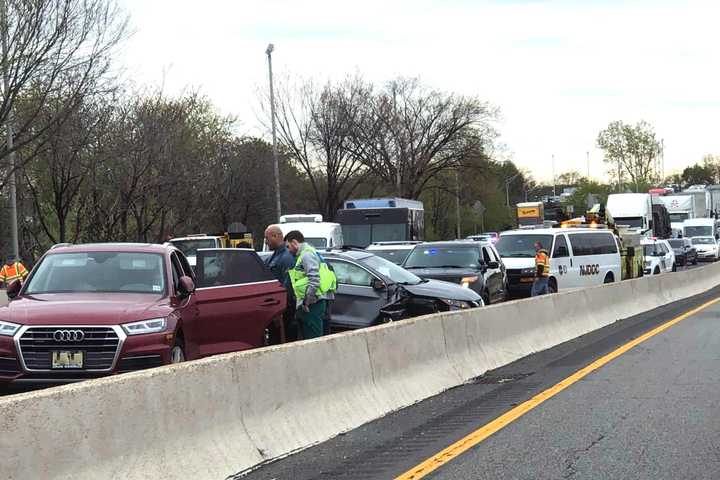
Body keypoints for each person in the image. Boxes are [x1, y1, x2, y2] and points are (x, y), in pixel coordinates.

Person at [285, 230, 336, 339]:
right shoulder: (309, 253)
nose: (288, 250)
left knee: (312, 339)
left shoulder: (306, 255)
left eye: (288, 246)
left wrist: (306, 302)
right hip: (313, 303)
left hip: (313, 304)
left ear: (294, 242)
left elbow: (314, 279)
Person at [263, 225, 298, 343]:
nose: (266, 242)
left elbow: (288, 287)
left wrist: (281, 309)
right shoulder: (274, 256)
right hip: (275, 308)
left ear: (275, 236)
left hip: (284, 311)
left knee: (282, 341)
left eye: (267, 239)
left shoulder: (286, 258)